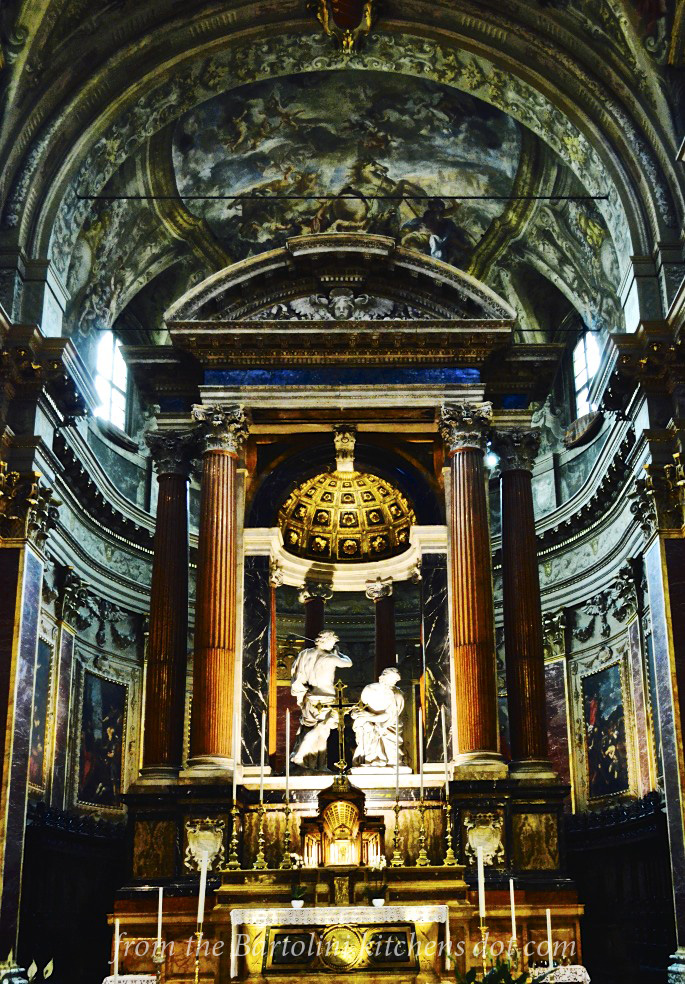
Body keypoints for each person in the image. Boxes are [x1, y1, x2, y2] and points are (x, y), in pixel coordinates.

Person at [290, 630, 352, 770]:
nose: (333, 645)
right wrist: (338, 653)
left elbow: (296, 675)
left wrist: (300, 696)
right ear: (326, 640)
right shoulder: (330, 657)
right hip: (325, 699)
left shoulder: (304, 654)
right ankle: (299, 755)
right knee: (322, 729)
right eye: (333, 642)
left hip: (310, 697)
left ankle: (319, 765)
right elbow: (348, 663)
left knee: (319, 731)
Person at [351, 667, 404, 768]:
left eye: (395, 681)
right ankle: (370, 759)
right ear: (382, 678)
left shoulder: (397, 695)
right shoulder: (369, 689)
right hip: (369, 722)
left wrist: (368, 717)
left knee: (391, 751)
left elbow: (389, 716)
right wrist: (356, 712)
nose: (393, 684)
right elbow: (360, 706)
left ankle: (386, 760)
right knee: (367, 728)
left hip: (388, 725)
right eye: (391, 680)